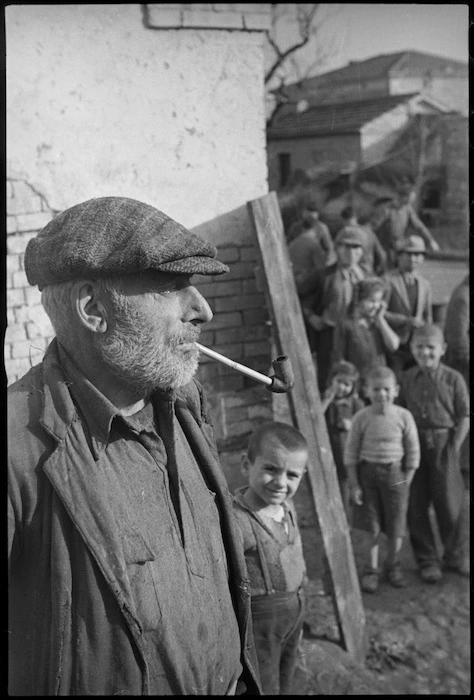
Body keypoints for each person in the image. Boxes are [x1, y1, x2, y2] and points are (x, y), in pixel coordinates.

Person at [8, 196, 262, 696]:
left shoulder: (185, 402)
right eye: (172, 287)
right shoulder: (18, 443)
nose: (203, 310)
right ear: (94, 309)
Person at [232, 422, 308, 696]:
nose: (280, 482)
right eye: (270, 469)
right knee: (264, 681)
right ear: (246, 465)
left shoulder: (287, 507)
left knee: (288, 671)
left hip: (295, 610)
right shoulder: (237, 519)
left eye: (292, 475)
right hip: (262, 620)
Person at [398, 324, 470, 583]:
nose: (425, 352)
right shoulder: (406, 378)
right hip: (414, 445)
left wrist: (454, 447)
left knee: (450, 503)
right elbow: (400, 414)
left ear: (442, 350)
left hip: (444, 444)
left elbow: (464, 415)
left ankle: (456, 555)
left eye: (431, 348)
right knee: (416, 504)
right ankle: (427, 560)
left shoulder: (454, 379)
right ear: (412, 349)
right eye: (419, 347)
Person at [344, 366, 420, 593]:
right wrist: (354, 484)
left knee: (396, 524)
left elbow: (413, 452)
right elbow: (351, 453)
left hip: (396, 475)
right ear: (367, 391)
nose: (382, 394)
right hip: (368, 475)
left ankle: (393, 564)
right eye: (376, 389)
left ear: (395, 390)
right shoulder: (361, 418)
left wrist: (406, 479)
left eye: (387, 389)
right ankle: (372, 569)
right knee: (372, 525)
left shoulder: (404, 416)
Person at [302, 225, 366, 391]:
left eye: (356, 247)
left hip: (357, 334)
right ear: (337, 249)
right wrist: (310, 316)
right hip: (331, 334)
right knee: (330, 378)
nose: (351, 253)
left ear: (361, 252)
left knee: (358, 379)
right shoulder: (324, 275)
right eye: (346, 247)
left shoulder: (365, 275)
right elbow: (296, 295)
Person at [332, 276, 400, 395]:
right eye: (372, 301)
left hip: (379, 384)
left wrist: (380, 320)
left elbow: (394, 346)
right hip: (357, 386)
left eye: (379, 302)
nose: (376, 306)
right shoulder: (346, 325)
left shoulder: (378, 324)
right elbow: (340, 358)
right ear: (358, 301)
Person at [384, 235, 433, 377]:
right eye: (408, 254)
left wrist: (427, 337)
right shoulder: (388, 280)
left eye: (417, 255)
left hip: (416, 345)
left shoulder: (424, 284)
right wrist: (406, 320)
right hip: (395, 344)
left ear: (422, 258)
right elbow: (381, 313)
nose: (413, 259)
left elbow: (427, 315)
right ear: (399, 256)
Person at [321, 361, 365, 515]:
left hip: (347, 451)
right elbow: (315, 419)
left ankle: (347, 517)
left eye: (346, 384)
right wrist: (326, 400)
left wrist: (351, 424)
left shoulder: (356, 404)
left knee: (346, 483)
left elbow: (364, 425)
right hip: (328, 450)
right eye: (338, 382)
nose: (341, 387)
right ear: (331, 380)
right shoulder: (324, 400)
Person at [372, 187, 440, 267]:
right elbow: (373, 228)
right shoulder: (387, 209)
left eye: (411, 201)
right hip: (383, 247)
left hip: (398, 246)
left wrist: (430, 240)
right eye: (408, 200)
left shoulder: (407, 209)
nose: (409, 203)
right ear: (401, 197)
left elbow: (419, 226)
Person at [287, 204, 336, 298]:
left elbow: (329, 248)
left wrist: (324, 266)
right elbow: (288, 243)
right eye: (307, 216)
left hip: (315, 264)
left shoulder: (321, 228)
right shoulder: (296, 227)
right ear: (303, 214)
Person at [339, 205, 387, 276]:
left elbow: (337, 255)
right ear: (355, 218)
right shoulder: (369, 232)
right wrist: (380, 270)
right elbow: (382, 254)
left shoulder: (344, 232)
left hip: (351, 275)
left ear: (343, 220)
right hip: (368, 273)